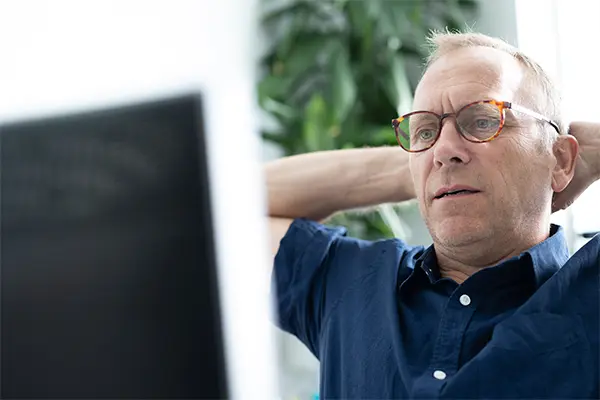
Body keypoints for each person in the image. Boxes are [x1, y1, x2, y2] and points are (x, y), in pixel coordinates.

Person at [265, 31, 600, 399]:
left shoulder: (588, 293)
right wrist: (421, 167)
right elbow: (235, 207)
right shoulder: (351, 280)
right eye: (424, 132)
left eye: (482, 121)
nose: (443, 150)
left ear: (562, 160)